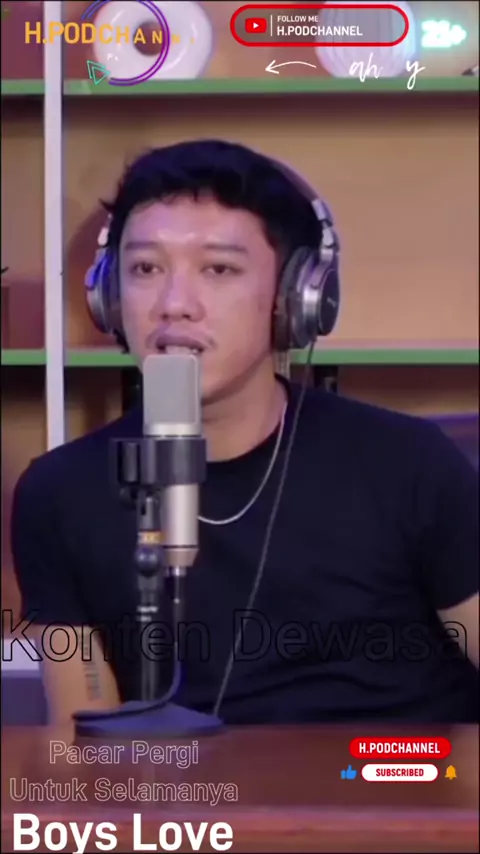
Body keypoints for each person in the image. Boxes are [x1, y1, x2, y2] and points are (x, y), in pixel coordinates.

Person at [11, 139, 478, 731]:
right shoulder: (57, 493)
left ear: (294, 300)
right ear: (108, 295)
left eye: (219, 270)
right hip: (189, 791)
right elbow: (85, 735)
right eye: (146, 269)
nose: (174, 305)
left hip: (397, 779)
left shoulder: (410, 466)